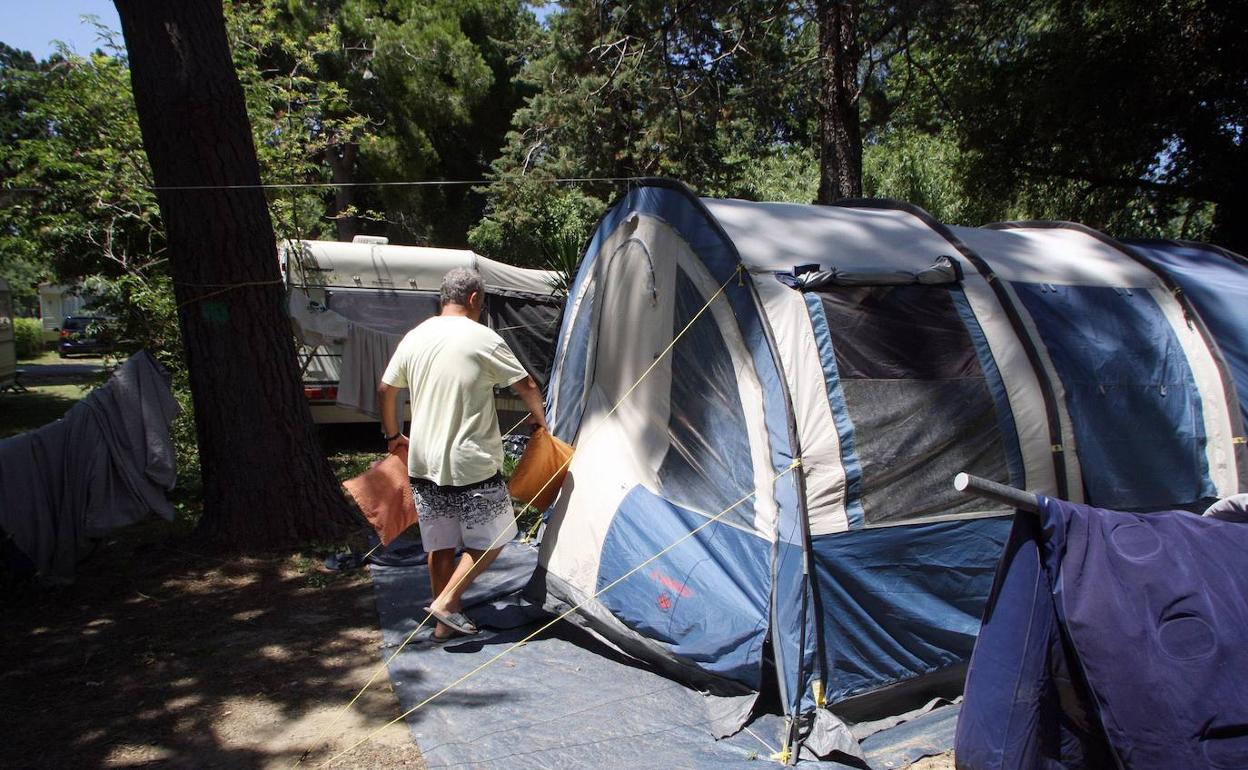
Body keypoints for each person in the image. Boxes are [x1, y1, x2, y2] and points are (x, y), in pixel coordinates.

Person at [377, 267, 547, 642]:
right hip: (471, 463)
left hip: (424, 462)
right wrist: (542, 423)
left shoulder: (415, 336)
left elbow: (386, 389)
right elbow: (527, 384)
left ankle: (443, 624)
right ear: (474, 300)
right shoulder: (482, 337)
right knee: (499, 534)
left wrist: (393, 436)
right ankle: (448, 601)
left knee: (440, 543)